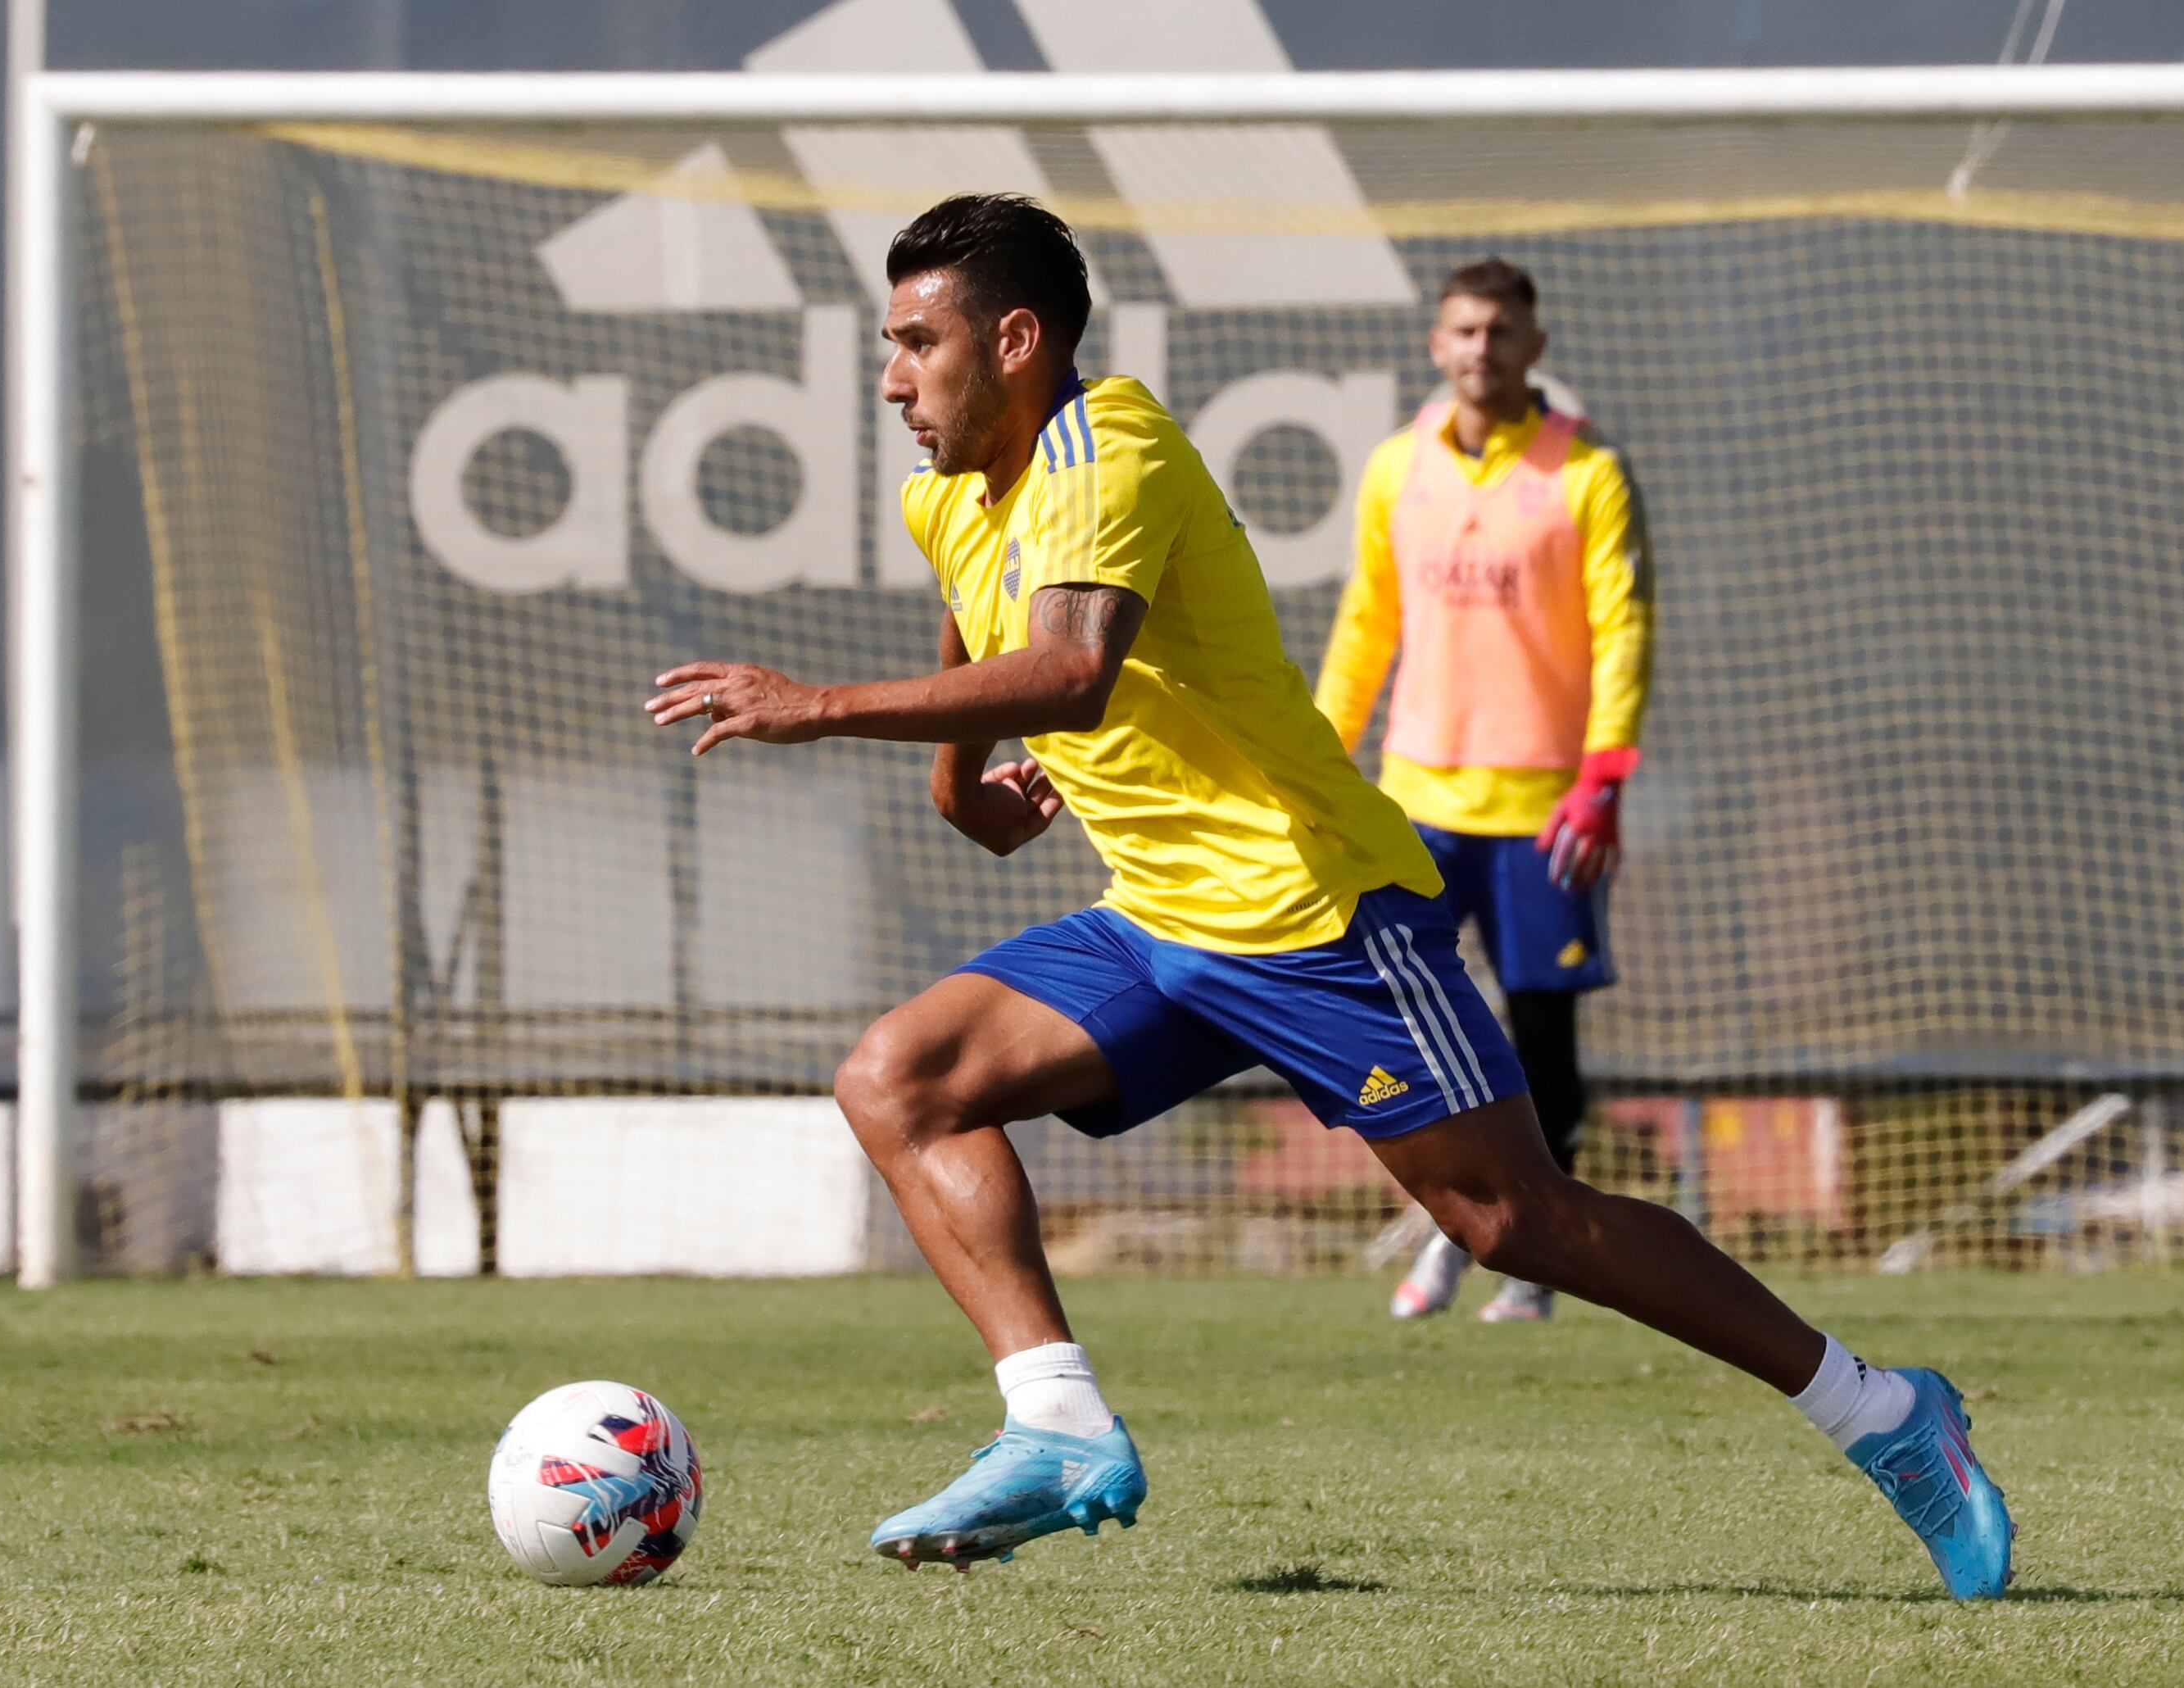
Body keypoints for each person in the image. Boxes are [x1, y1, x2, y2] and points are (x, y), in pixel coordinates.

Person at [644, 194, 2012, 1599]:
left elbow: (1065, 670)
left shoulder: (1110, 446)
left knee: (1514, 1224)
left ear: (1013, 339)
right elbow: (975, 627)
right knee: (900, 1078)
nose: (889, 378)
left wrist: (812, 706)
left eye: (914, 343)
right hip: (1161, 918)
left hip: (1317, 912)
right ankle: (1054, 1424)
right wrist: (955, 788)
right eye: (886, 345)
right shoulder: (944, 485)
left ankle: (1885, 1414)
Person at [1316, 258, 1649, 1325]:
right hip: (1414, 797)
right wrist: (1320, 759)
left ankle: (1533, 1259)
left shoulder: (1586, 473)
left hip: (1544, 810)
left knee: (1542, 1041)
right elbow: (1365, 623)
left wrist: (1602, 778)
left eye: (1500, 332)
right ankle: (1448, 1226)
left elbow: (1623, 630)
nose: (1480, 351)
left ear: (1533, 346)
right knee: (1397, 1025)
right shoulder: (1391, 468)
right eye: (1462, 331)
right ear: (1434, 344)